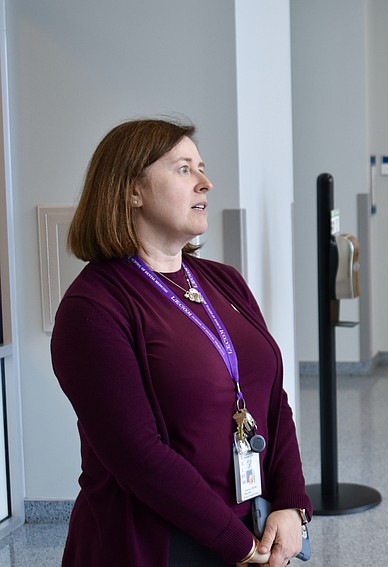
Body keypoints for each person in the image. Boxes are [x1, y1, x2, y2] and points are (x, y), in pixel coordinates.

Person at [51, 118, 312, 566]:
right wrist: (238, 543)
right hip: (157, 543)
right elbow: (136, 455)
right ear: (132, 190)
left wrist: (290, 501)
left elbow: (271, 398)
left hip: (252, 525)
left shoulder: (224, 282)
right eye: (184, 169)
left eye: (202, 167)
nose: (206, 182)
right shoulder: (93, 307)